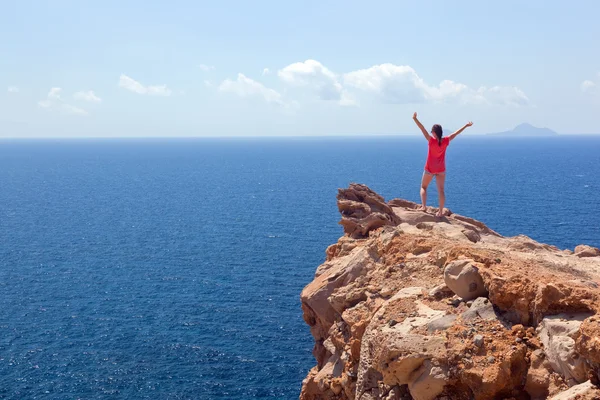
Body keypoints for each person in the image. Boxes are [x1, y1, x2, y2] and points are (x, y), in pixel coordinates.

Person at [412, 112, 473, 217]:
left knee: (424, 187)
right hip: (441, 169)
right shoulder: (446, 141)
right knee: (441, 190)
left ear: (434, 133)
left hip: (430, 168)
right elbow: (456, 133)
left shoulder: (431, 141)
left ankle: (423, 207)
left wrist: (415, 119)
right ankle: (440, 212)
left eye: (432, 131)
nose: (430, 133)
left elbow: (422, 129)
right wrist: (466, 126)